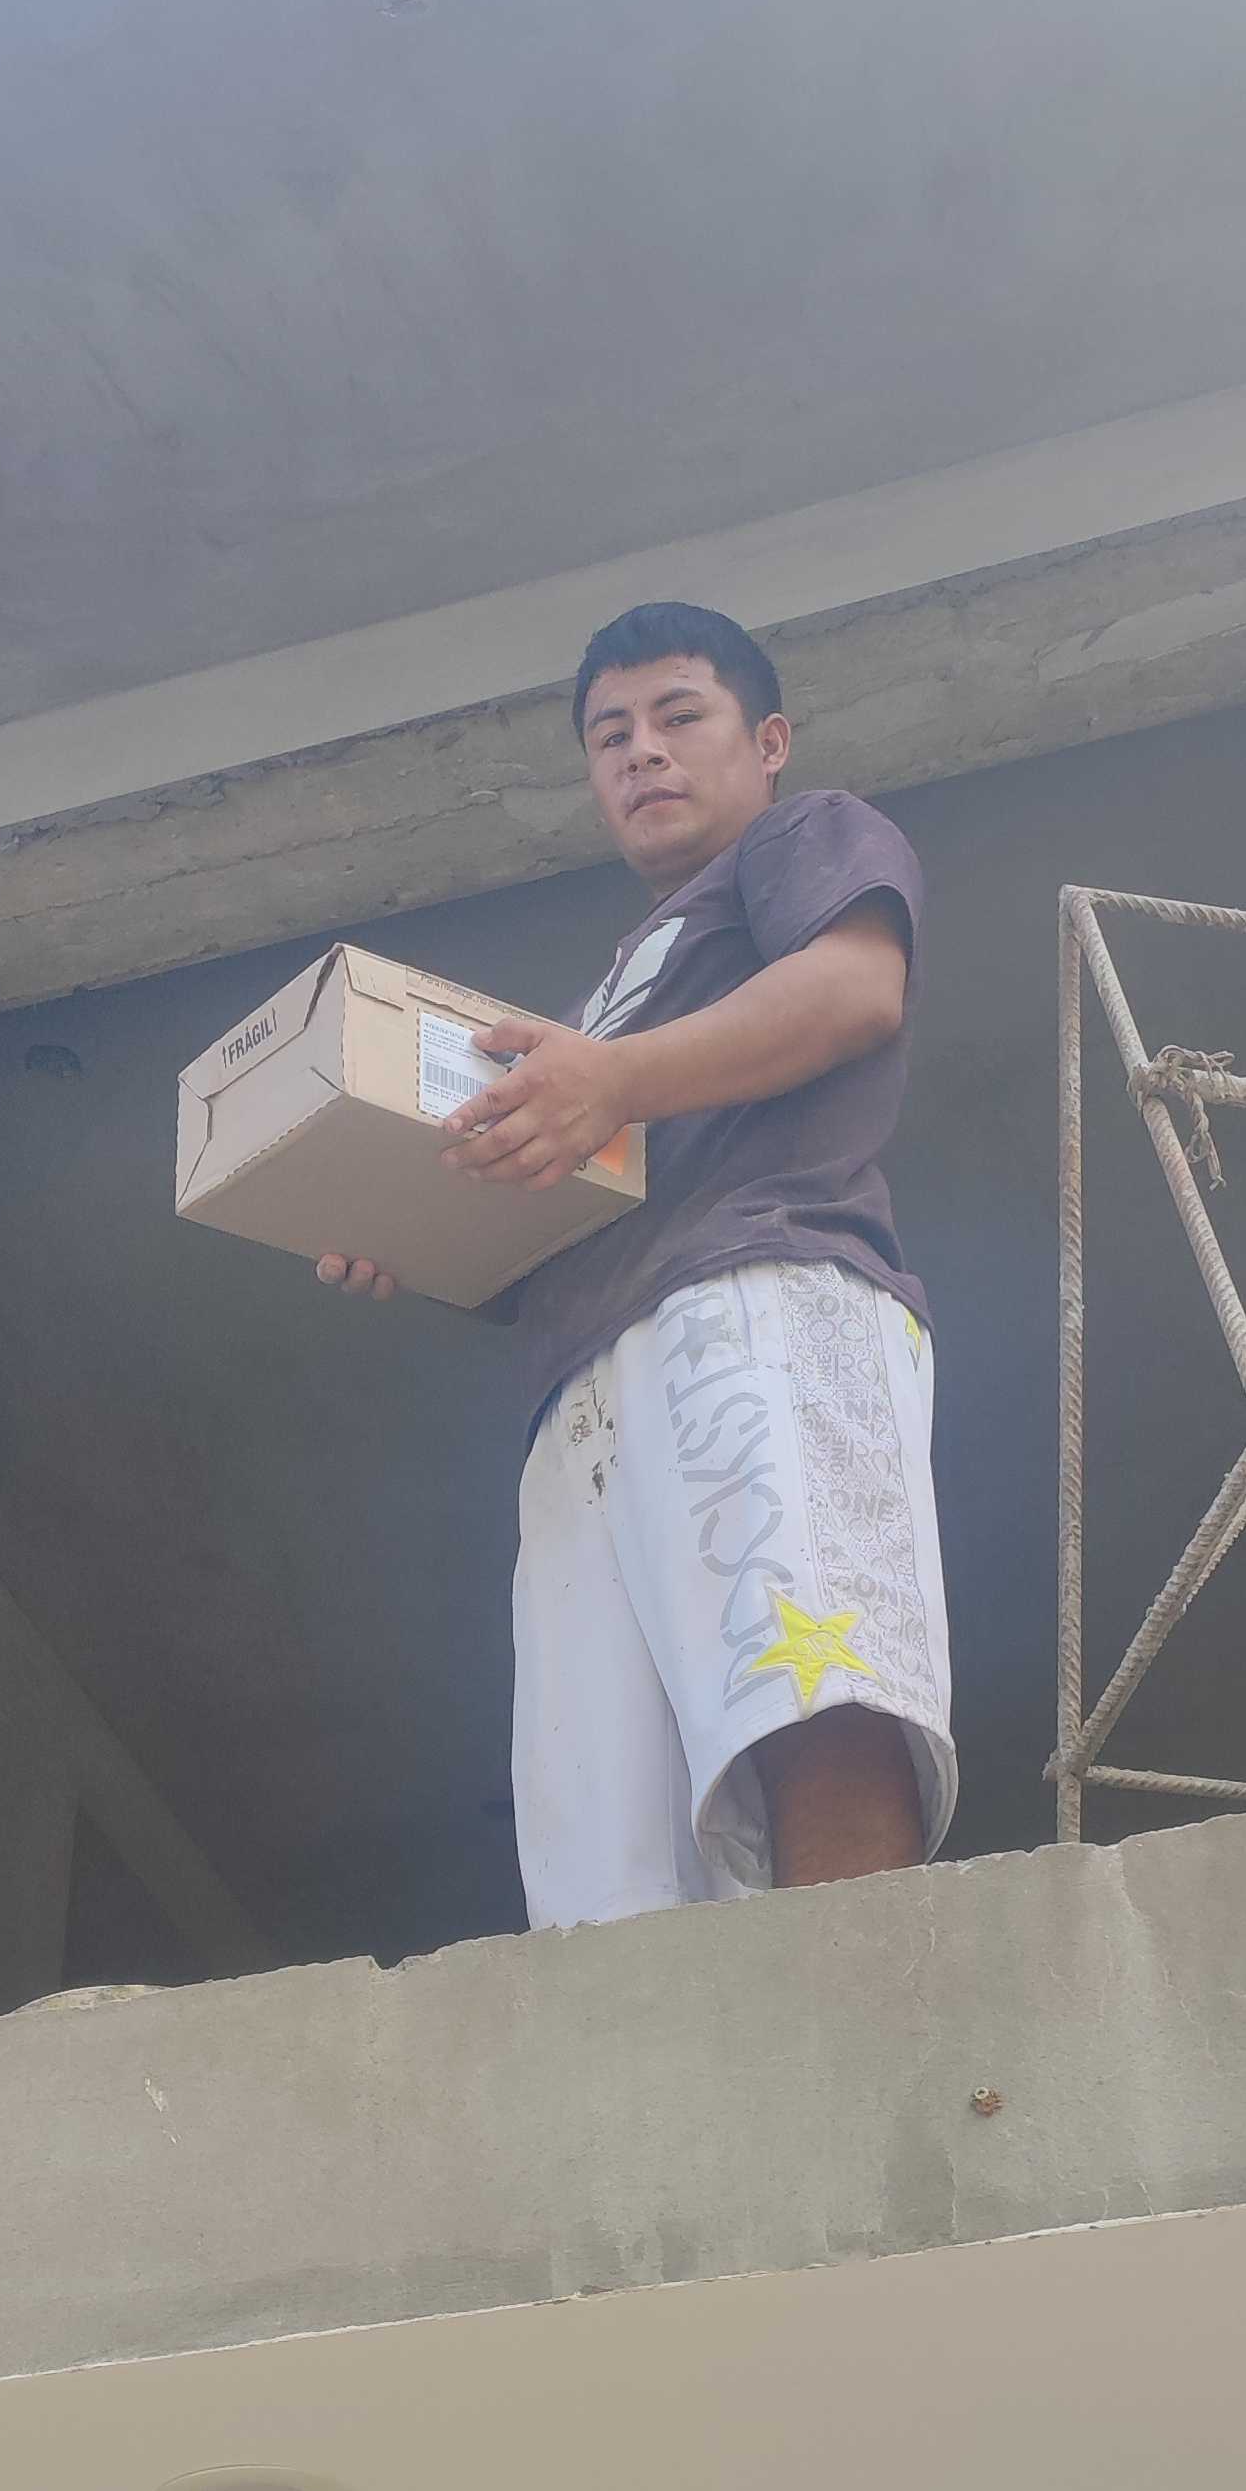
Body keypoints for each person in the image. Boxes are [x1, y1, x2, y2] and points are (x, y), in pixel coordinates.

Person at [320, 602, 955, 1928]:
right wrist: (406, 1232)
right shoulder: (601, 1005)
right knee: (608, 1849)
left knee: (806, 1695)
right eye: (610, 736)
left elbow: (856, 989)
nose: (641, 753)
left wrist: (611, 1081)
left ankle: (876, 2011)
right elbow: (541, 1240)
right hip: (582, 1395)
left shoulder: (802, 836)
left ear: (768, 741)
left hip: (757, 1304)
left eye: (678, 716)